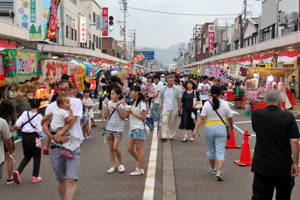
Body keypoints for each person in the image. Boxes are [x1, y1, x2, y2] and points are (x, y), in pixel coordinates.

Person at [251, 89, 299, 200]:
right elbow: (294, 141)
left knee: (260, 196)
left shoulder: (257, 114)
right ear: (280, 101)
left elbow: (256, 129)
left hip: (262, 165)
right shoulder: (288, 117)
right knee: (283, 196)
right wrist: (295, 163)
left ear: (265, 100)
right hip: (283, 165)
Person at [42, 79, 82, 200]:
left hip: (73, 145)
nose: (63, 91)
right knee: (60, 179)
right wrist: (52, 137)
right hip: (56, 147)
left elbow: (71, 121)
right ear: (57, 90)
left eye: (66, 89)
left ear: (70, 90)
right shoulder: (50, 106)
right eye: (60, 89)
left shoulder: (75, 102)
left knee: (70, 179)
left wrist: (58, 134)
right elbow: (45, 124)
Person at [193, 85, 233, 181]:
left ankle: (212, 168)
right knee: (220, 151)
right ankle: (220, 171)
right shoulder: (225, 104)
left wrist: (195, 129)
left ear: (211, 93)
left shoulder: (207, 103)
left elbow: (202, 117)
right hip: (221, 128)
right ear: (221, 93)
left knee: (211, 149)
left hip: (209, 128)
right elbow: (230, 117)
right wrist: (231, 125)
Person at [13, 99, 44, 184]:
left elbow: (18, 124)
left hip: (25, 137)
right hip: (34, 137)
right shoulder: (39, 116)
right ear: (39, 106)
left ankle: (18, 171)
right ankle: (35, 176)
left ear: (30, 105)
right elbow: (39, 129)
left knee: (27, 156)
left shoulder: (24, 113)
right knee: (37, 157)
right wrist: (40, 134)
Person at [104, 87, 126, 174]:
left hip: (118, 128)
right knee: (111, 148)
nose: (111, 95)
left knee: (115, 147)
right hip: (109, 128)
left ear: (118, 95)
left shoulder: (122, 104)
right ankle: (113, 166)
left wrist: (118, 110)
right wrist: (106, 105)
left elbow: (124, 117)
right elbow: (106, 115)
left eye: (113, 94)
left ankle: (121, 164)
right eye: (111, 93)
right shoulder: (109, 103)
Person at [125, 85, 147, 176]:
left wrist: (132, 113)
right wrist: (129, 114)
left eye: (132, 91)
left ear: (137, 92)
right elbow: (132, 116)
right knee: (129, 148)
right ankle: (140, 162)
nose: (130, 93)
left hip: (139, 128)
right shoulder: (133, 102)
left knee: (139, 149)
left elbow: (143, 117)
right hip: (132, 127)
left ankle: (140, 168)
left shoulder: (142, 103)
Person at [158, 75, 182, 141]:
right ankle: (164, 136)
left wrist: (179, 108)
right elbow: (160, 97)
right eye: (170, 81)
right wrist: (160, 104)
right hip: (165, 107)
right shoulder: (163, 88)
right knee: (164, 121)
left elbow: (179, 98)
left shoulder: (176, 88)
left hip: (174, 108)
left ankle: (171, 135)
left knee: (173, 122)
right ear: (167, 81)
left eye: (172, 81)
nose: (171, 82)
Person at [0, 100, 16, 184]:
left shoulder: (0, 117)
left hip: (1, 140)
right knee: (10, 157)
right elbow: (12, 129)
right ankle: (9, 178)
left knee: (3, 158)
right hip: (8, 138)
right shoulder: (11, 118)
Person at [0, 117, 14, 183]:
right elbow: (8, 140)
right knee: (9, 159)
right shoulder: (2, 122)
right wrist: (11, 152)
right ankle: (9, 177)